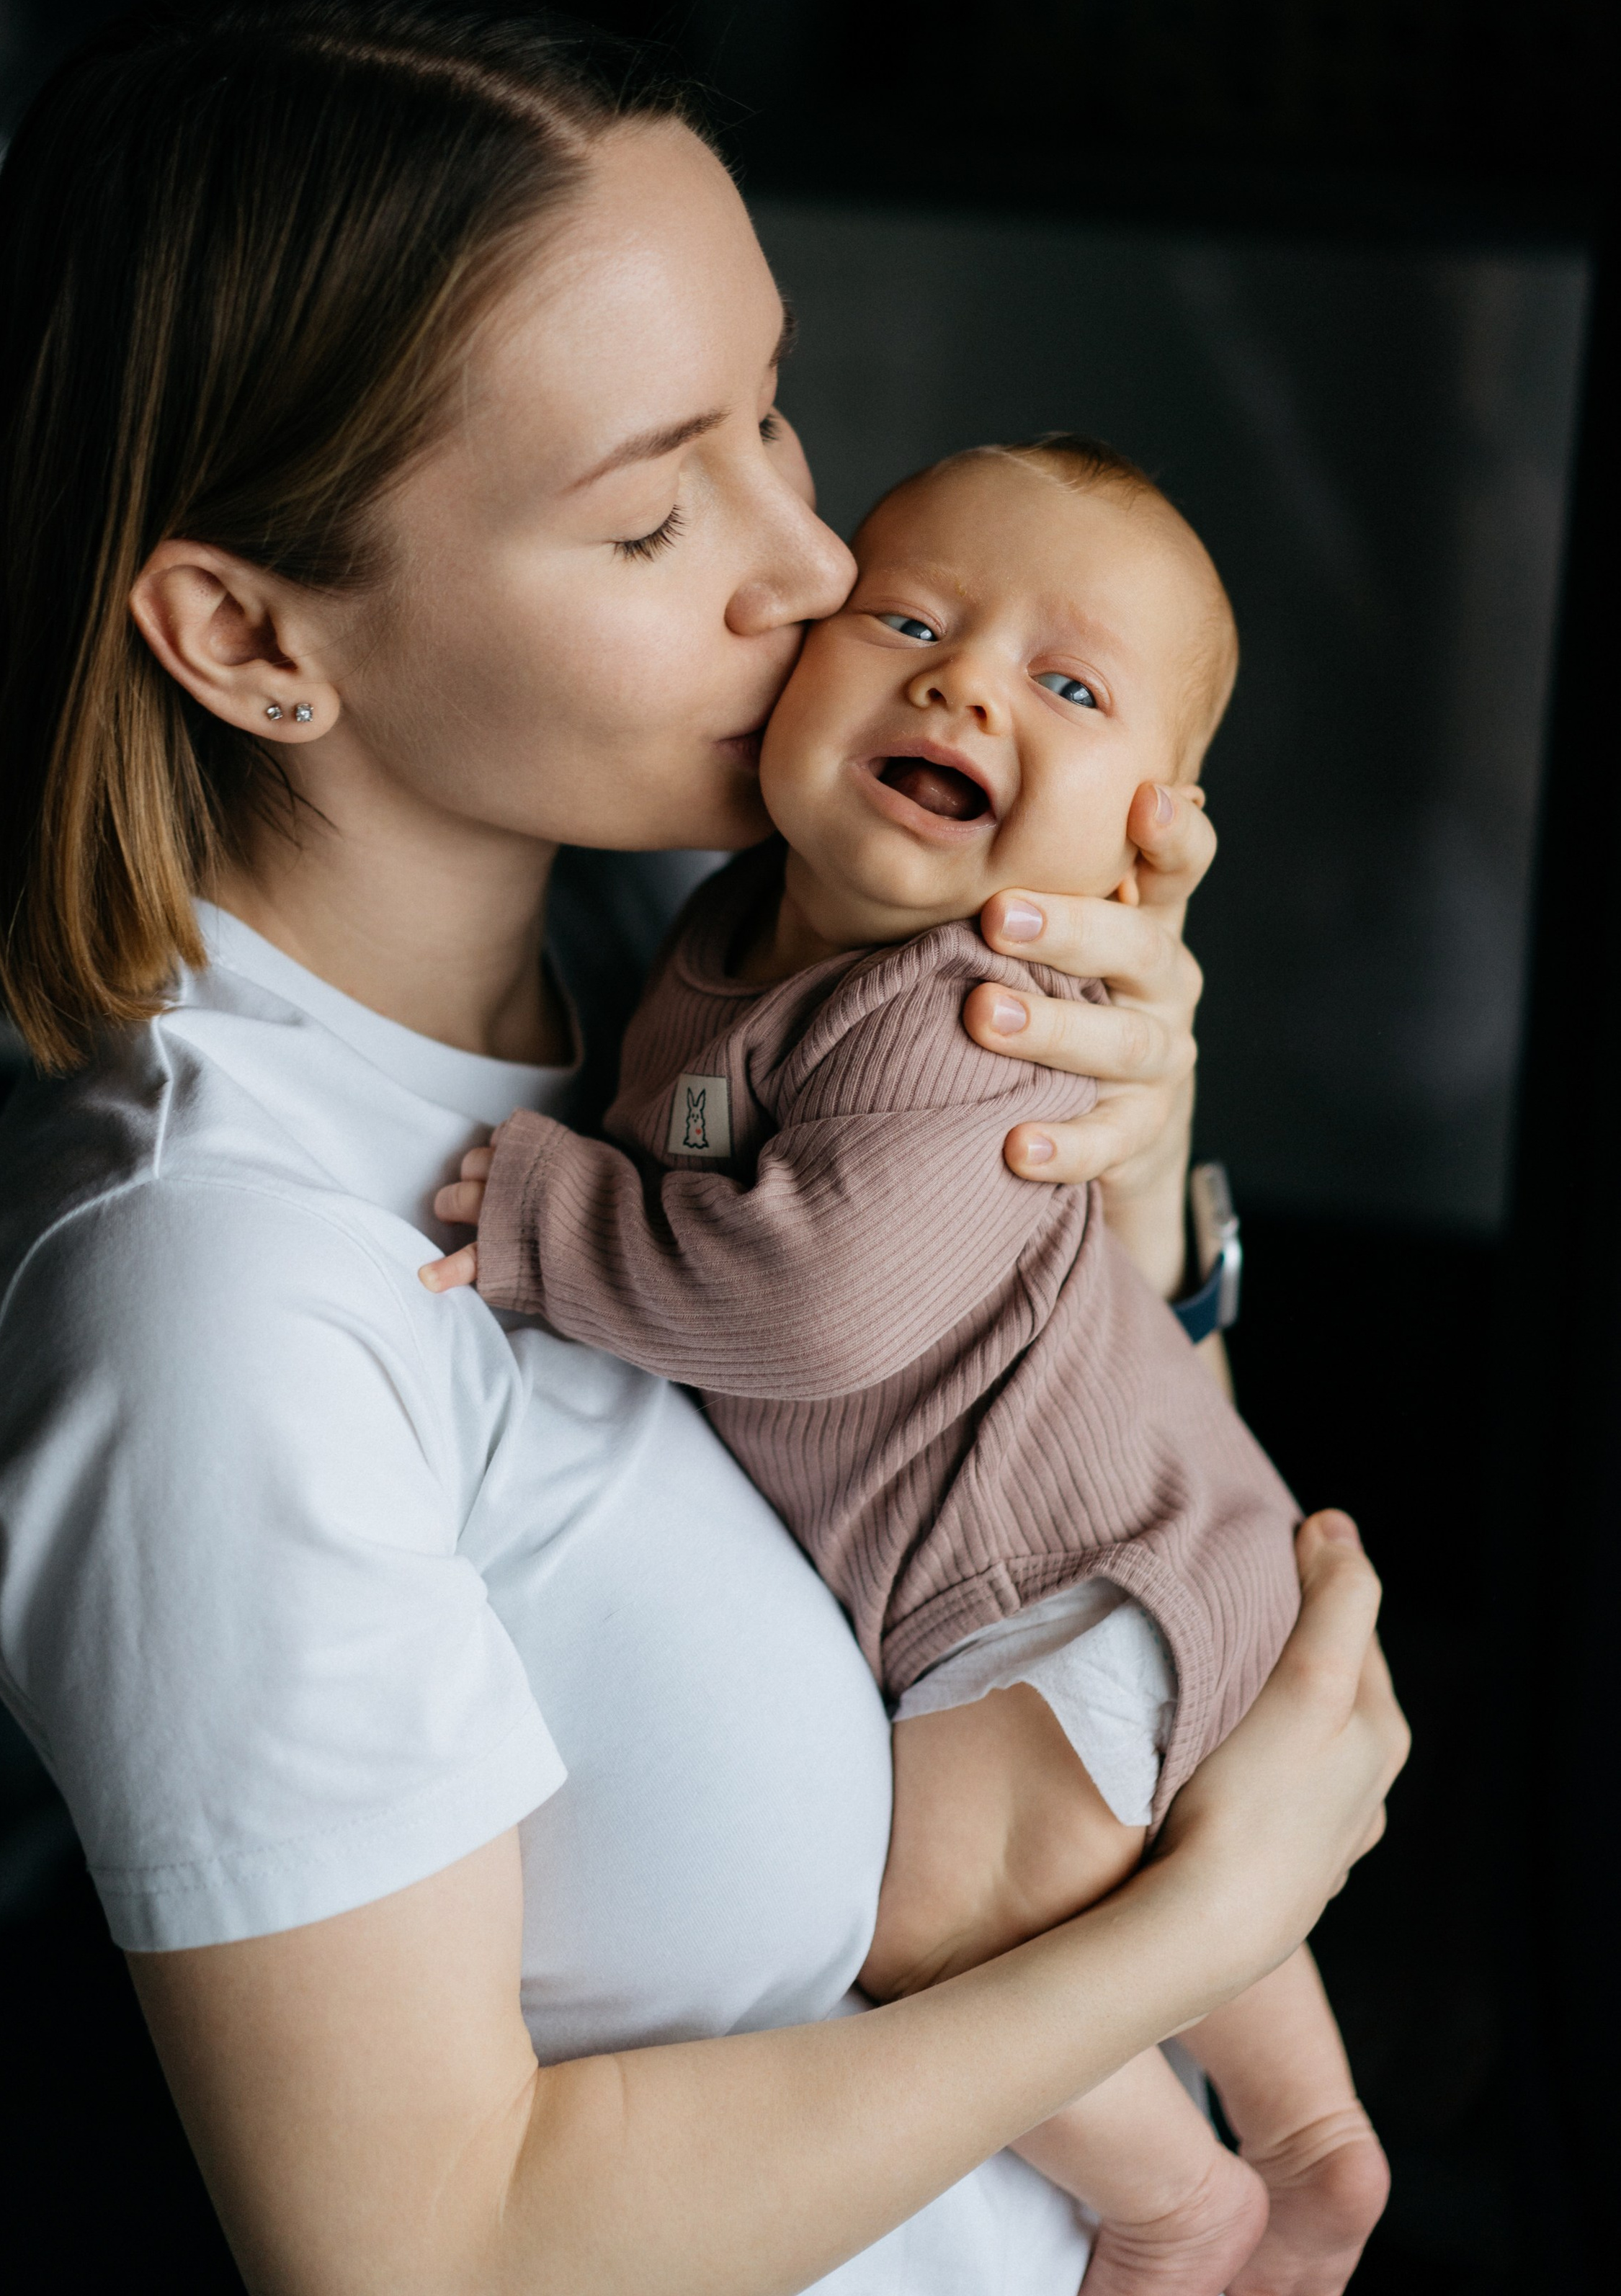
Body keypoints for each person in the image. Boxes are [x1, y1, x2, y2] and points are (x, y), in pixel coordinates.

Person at [0, 0, 1406, 2296]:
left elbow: (1021, 1493)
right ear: (247, 632)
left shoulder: (689, 941)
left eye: (773, 420)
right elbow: (422, 2254)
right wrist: (1216, 1917)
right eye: (649, 517)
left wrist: (1131, 1182)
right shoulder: (211, 1302)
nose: (813, 569)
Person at [424, 434, 1386, 2293]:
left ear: (1149, 841)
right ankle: (1317, 2146)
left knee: (941, 1910)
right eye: (911, 619)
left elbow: (814, 1308)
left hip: (1061, 1580)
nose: (963, 683)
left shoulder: (957, 1011)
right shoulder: (726, 934)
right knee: (1178, 1882)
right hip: (1123, 1534)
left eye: (1070, 684)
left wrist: (555, 1224)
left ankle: (1182, 2200)